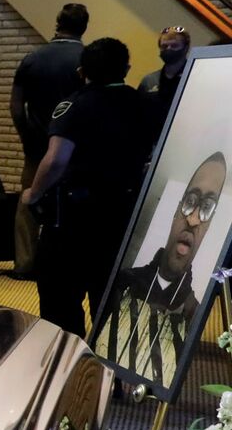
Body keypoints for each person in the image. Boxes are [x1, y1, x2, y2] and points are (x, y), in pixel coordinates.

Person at [22, 38, 155, 339]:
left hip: (75, 218)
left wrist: (34, 193)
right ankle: (109, 375)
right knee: (109, 302)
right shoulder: (146, 105)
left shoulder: (74, 104)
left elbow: (56, 159)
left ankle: (68, 365)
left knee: (60, 301)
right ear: (127, 69)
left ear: (82, 71)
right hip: (124, 215)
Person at [94, 153, 224, 391]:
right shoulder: (123, 282)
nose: (193, 219)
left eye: (206, 208)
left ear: (210, 226)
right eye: (190, 201)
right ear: (176, 211)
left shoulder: (193, 312)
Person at [10, 3, 88, 278]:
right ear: (84, 27)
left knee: (28, 201)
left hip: (35, 144)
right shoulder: (86, 59)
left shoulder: (33, 58)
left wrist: (25, 135)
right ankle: (61, 265)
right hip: (73, 148)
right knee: (70, 206)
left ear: (57, 23)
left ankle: (24, 265)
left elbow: (17, 106)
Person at [140, 27, 191, 121]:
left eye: (174, 46)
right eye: (164, 46)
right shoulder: (149, 81)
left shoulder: (193, 79)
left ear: (186, 48)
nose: (169, 49)